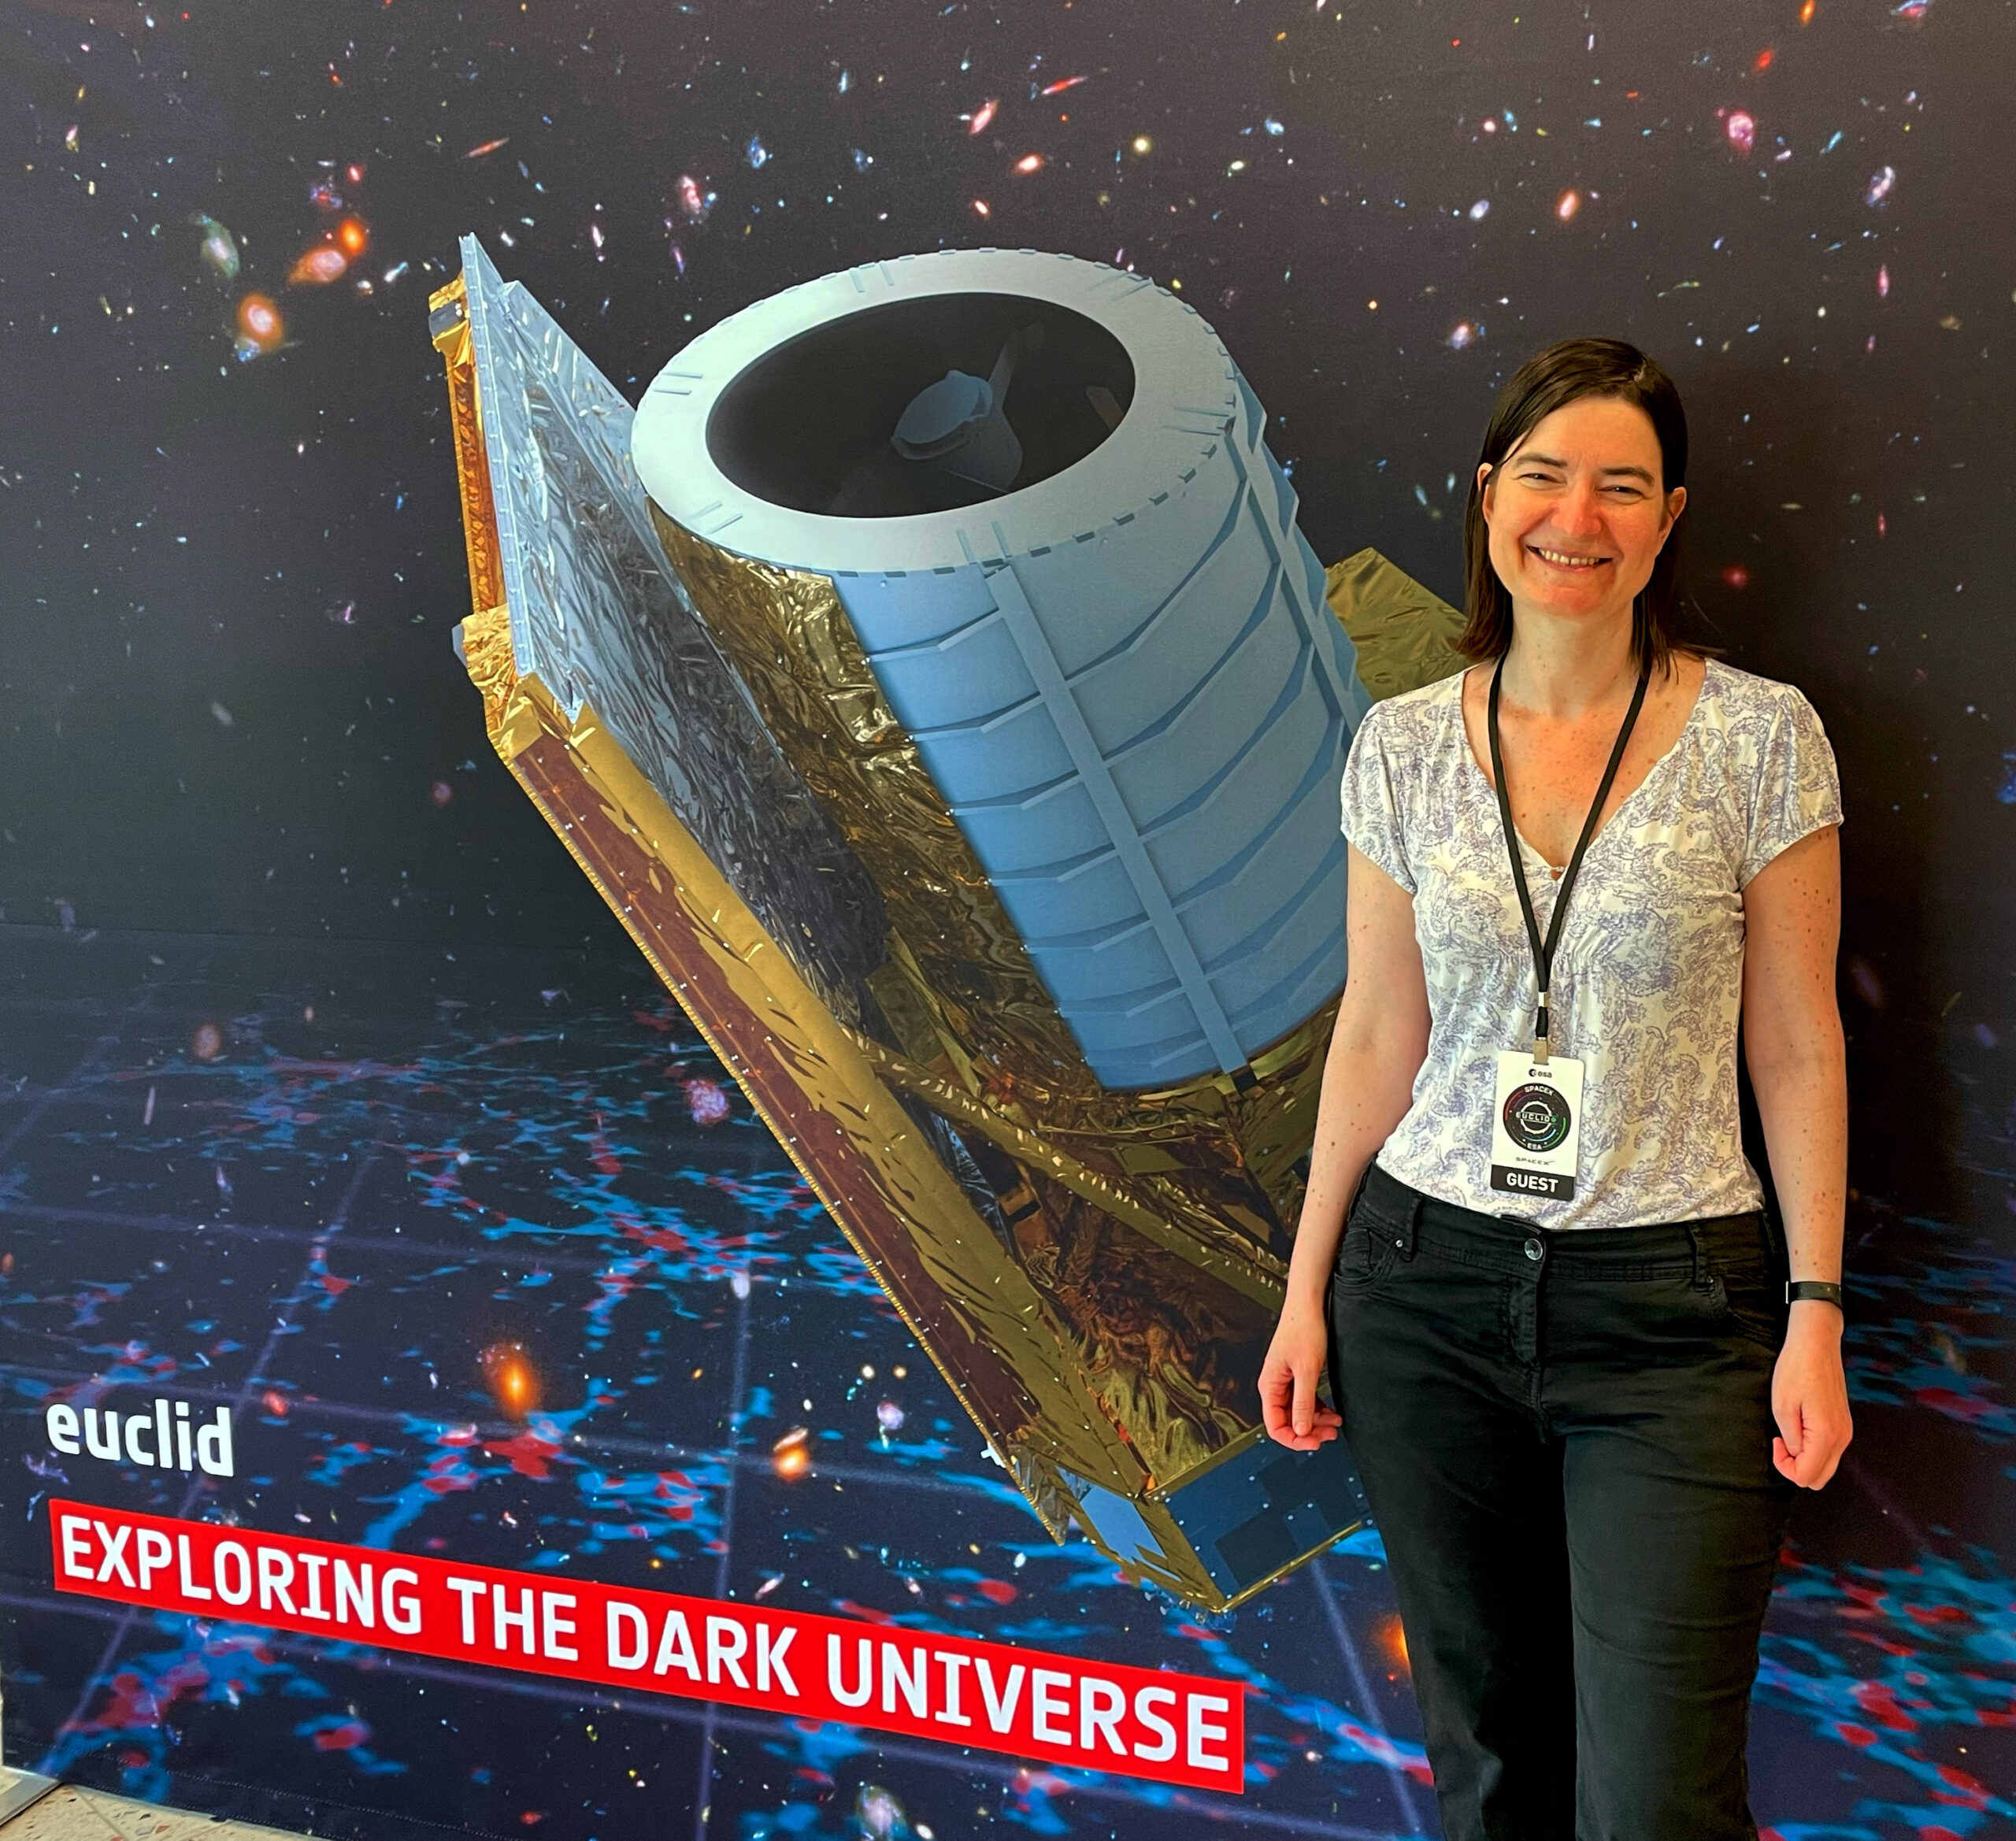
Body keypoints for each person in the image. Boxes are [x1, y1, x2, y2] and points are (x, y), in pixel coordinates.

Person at [1259, 336, 1852, 1841]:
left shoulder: (1761, 738)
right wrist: (1307, 1289)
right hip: (1427, 1297)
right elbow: (1377, 1035)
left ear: (1668, 520)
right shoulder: (1401, 746)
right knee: (1493, 1772)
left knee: (1657, 1802)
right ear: (1488, 496)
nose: (1576, 518)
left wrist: (1817, 1306)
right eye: (1544, 476)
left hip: (1674, 1318)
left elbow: (1797, 1044)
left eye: (1621, 487)